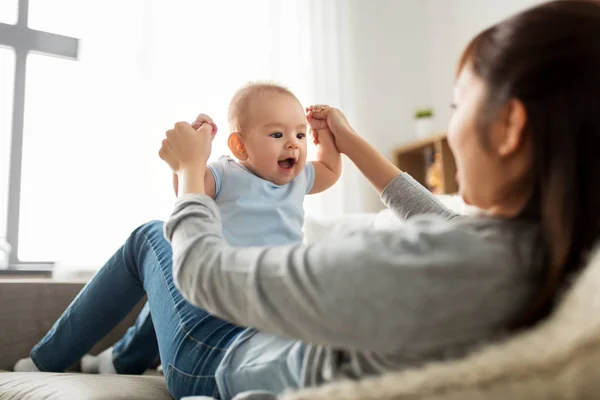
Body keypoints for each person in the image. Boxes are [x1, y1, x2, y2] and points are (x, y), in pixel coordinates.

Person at [15, 1, 600, 399]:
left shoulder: (442, 268)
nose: (450, 130)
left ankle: (44, 359)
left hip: (217, 354)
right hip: (239, 332)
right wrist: (349, 141)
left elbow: (201, 274)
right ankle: (118, 358)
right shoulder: (548, 252)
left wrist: (190, 171)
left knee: (151, 237)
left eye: (457, 105)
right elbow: (442, 222)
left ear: (509, 127)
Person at [70, 82, 342, 376]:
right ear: (239, 146)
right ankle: (119, 360)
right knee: (172, 284)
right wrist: (190, 158)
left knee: (172, 287)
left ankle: (119, 360)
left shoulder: (298, 178)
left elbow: (329, 169)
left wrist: (324, 134)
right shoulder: (227, 173)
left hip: (272, 294)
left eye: (300, 134)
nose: (293, 144)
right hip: (218, 287)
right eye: (277, 134)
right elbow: (189, 189)